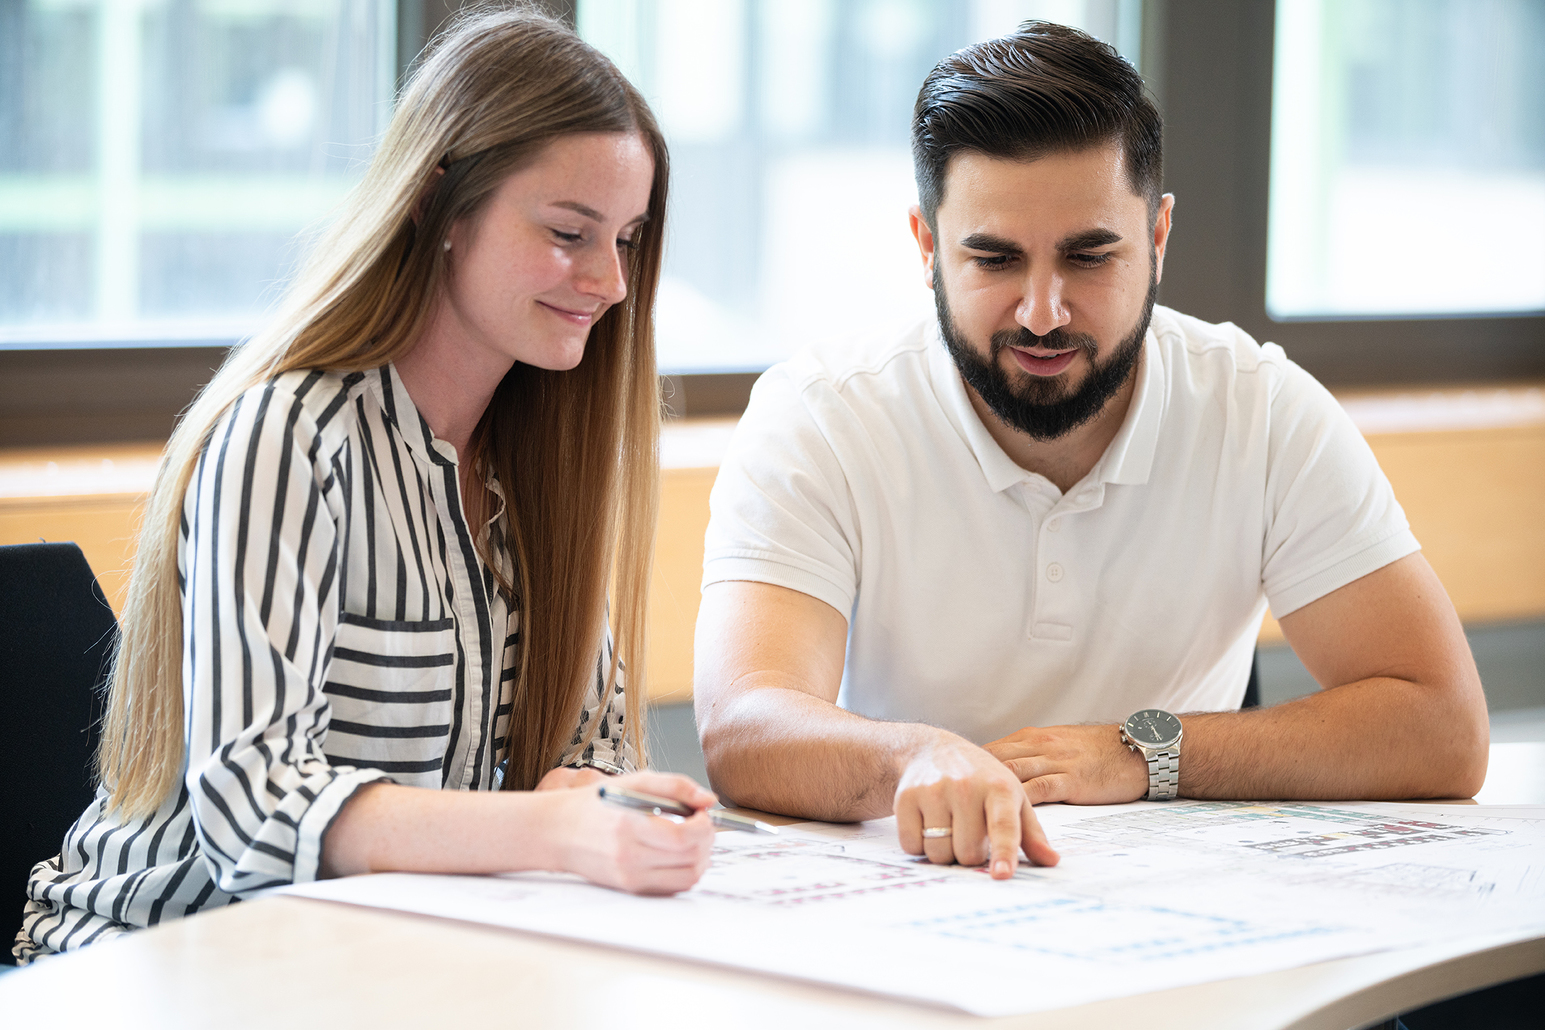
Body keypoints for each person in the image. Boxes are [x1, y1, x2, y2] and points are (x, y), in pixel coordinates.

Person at [692, 22, 1488, 880]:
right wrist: (916, 758)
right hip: (920, 895)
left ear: (1158, 237)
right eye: (994, 259)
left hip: (1194, 904)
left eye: (1088, 256)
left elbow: (1442, 726)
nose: (1042, 312)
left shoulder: (1260, 409)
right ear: (926, 248)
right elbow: (744, 726)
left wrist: (1140, 753)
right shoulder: (820, 416)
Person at [15, 8, 716, 964]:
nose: (610, 282)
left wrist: (590, 798)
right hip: (155, 965)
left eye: (627, 240)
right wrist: (553, 828)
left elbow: (588, 752)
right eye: (568, 232)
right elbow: (254, 815)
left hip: (373, 963)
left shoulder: (538, 466)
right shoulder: (287, 438)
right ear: (437, 205)